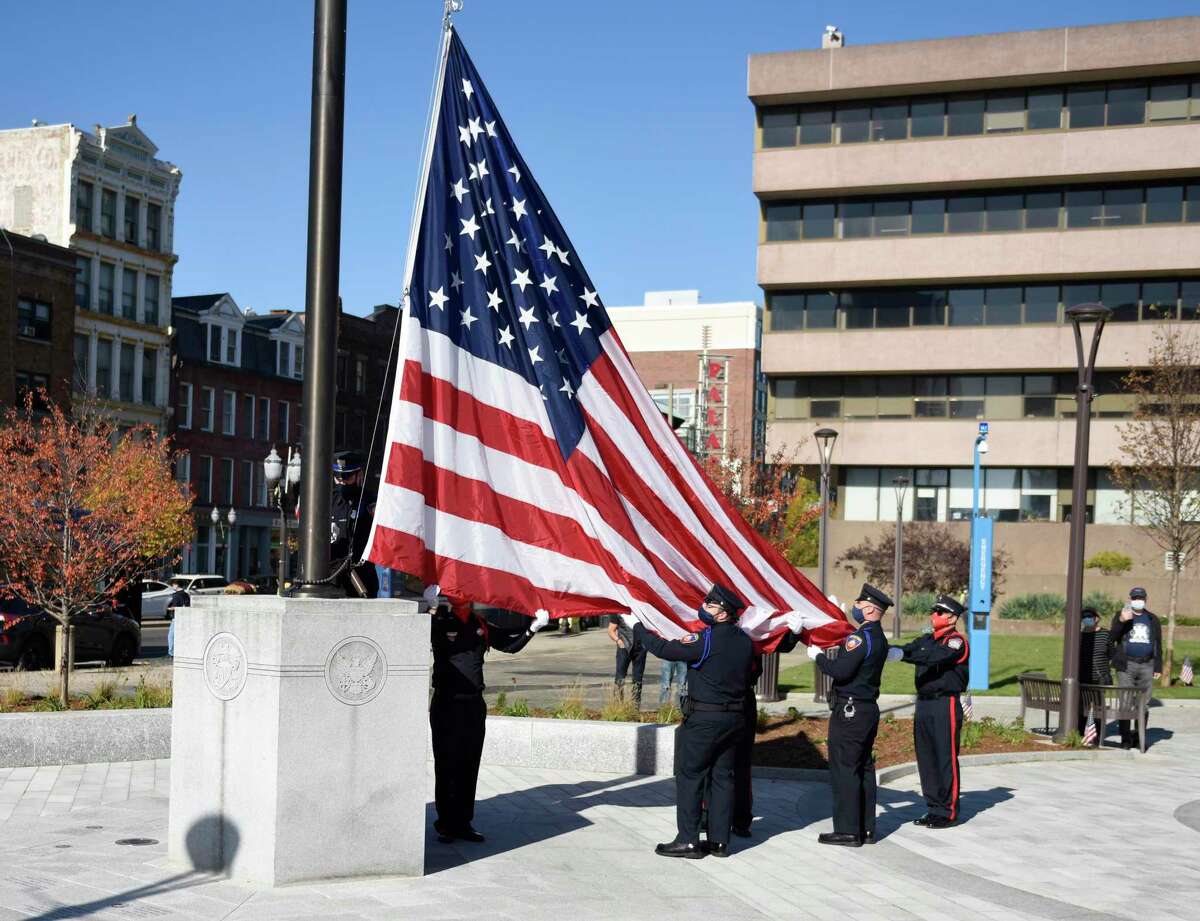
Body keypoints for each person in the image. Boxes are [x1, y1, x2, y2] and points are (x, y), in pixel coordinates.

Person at [634, 584, 754, 859]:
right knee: (723, 777)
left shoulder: (707, 640)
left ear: (723, 614)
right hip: (734, 717)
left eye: (711, 605)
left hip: (705, 719)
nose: (705, 608)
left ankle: (688, 840)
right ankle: (719, 841)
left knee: (691, 776)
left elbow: (665, 649)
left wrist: (639, 628)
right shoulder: (745, 641)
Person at [428, 590, 550, 843]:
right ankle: (446, 823)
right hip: (447, 702)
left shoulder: (480, 624)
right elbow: (422, 638)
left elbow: (509, 645)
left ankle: (463, 822)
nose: (458, 595)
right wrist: (428, 609)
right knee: (446, 763)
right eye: (453, 590)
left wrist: (533, 627)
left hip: (473, 703)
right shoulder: (440, 622)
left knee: (469, 763)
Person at [807, 583, 890, 847]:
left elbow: (840, 670)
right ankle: (865, 828)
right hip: (867, 709)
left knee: (845, 770)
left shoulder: (860, 638)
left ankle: (847, 830)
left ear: (867, 608)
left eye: (858, 604)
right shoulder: (878, 637)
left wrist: (818, 657)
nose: (855, 607)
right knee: (863, 768)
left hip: (850, 711)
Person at [899, 595, 970, 829]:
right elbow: (910, 649)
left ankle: (948, 811)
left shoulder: (956, 641)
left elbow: (935, 657)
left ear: (951, 617)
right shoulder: (928, 639)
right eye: (934, 611)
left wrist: (904, 655)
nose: (934, 615)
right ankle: (933, 808)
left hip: (944, 703)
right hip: (924, 703)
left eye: (939, 612)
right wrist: (889, 651)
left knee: (944, 757)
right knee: (927, 757)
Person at [1110, 587, 1162, 750]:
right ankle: (1125, 738)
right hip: (1127, 665)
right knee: (1125, 702)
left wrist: (1158, 666)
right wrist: (1121, 621)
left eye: (1140, 598)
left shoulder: (1152, 619)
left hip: (1147, 664)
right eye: (1135, 598)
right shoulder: (1122, 615)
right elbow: (1112, 637)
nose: (1138, 600)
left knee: (1143, 703)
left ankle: (1139, 736)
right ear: (1131, 599)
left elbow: (1158, 644)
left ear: (1145, 599)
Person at [329, 450, 378, 598]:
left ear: (359, 474)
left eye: (347, 476)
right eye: (338, 476)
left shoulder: (370, 501)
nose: (342, 481)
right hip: (332, 578)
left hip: (361, 577)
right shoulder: (327, 501)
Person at [607, 613, 646, 709]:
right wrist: (618, 640)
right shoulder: (619, 612)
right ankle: (618, 705)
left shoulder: (640, 610)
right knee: (620, 677)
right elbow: (611, 630)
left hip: (640, 648)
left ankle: (635, 707)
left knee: (638, 679)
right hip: (624, 648)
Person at [165, 587, 189, 657]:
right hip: (185, 617)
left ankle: (171, 653)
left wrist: (169, 608)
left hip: (176, 617)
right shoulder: (186, 594)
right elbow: (187, 606)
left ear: (176, 585)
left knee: (171, 636)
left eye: (173, 585)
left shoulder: (176, 595)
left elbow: (175, 606)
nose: (172, 587)